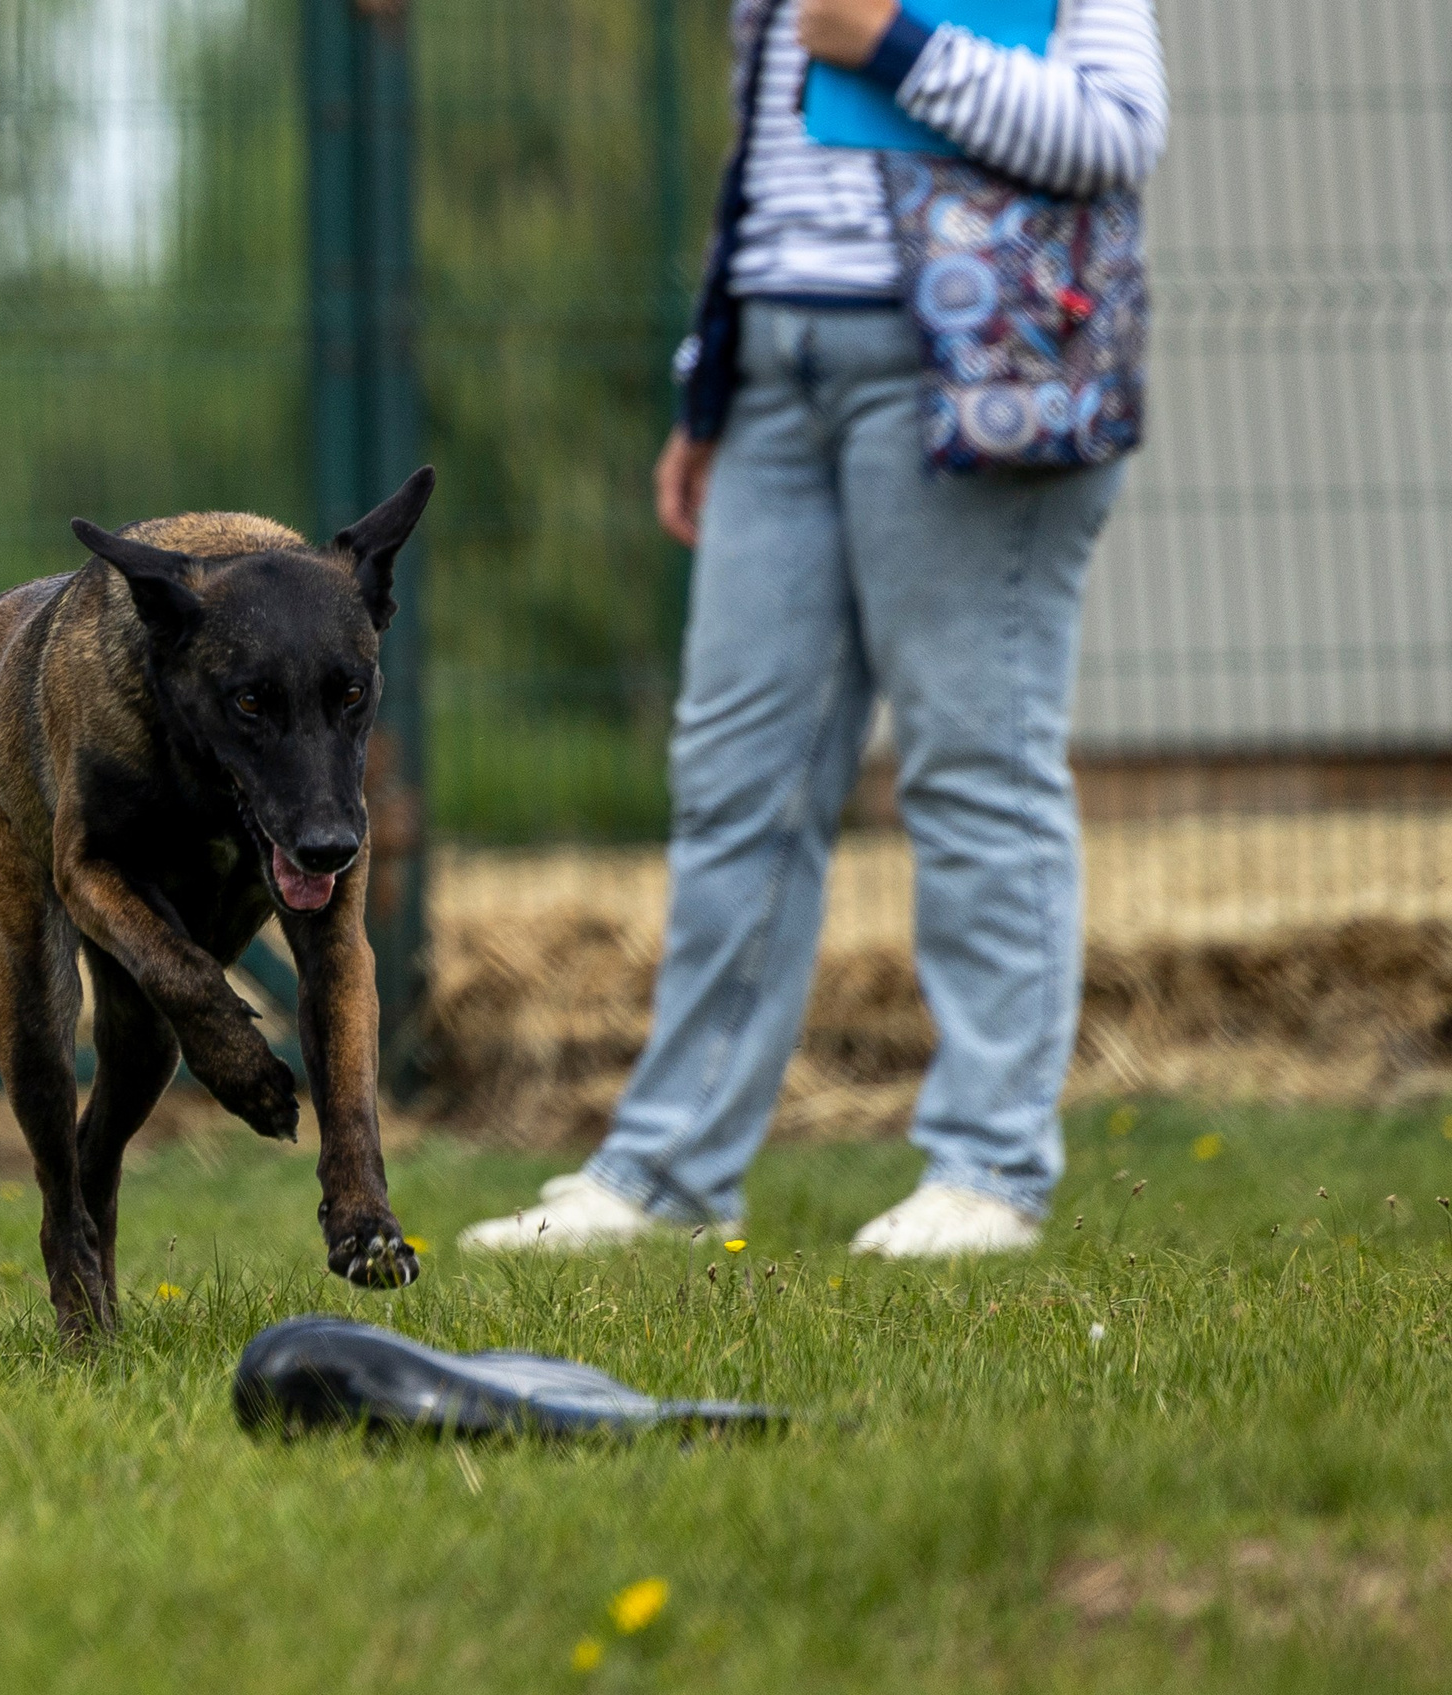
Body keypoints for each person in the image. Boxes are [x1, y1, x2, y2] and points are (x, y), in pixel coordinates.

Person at [461, 0, 1168, 1258]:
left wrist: (893, 44)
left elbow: (1117, 130)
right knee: (737, 780)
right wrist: (711, 380)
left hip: (965, 364)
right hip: (779, 376)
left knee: (973, 761)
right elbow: (766, 164)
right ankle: (670, 1176)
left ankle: (989, 1169)